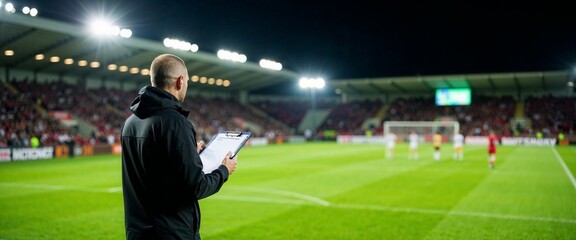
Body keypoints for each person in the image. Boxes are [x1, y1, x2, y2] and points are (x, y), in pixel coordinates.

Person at [121, 53, 237, 240]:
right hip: (171, 233)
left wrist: (190, 154)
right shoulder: (175, 122)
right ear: (180, 81)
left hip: (138, 232)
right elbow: (196, 187)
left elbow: (159, 168)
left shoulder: (131, 122)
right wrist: (224, 170)